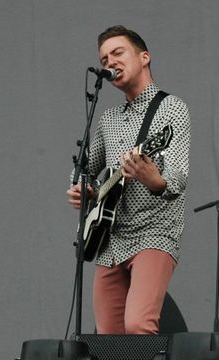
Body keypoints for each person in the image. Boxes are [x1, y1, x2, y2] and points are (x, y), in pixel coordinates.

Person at [66, 25, 190, 334]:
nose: (110, 63)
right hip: (108, 239)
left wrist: (153, 178)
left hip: (154, 234)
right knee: (106, 338)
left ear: (144, 57)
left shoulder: (171, 108)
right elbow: (83, 169)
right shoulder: (109, 119)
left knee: (137, 326)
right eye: (104, 59)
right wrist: (85, 189)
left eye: (117, 53)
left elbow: (177, 177)